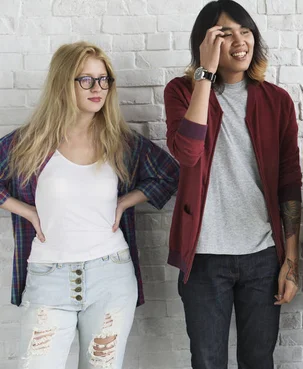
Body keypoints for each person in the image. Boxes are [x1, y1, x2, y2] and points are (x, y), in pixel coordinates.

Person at [0, 41, 179, 369]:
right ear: (62, 83)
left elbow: (169, 174)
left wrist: (126, 201)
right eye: (85, 79)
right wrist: (23, 209)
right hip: (47, 277)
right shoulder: (28, 143)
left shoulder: (120, 142)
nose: (97, 88)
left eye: (103, 79)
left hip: (110, 276)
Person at [163, 1, 302, 368]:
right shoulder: (181, 92)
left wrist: (291, 260)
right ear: (205, 42)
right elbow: (188, 153)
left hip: (262, 256)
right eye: (225, 34)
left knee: (258, 360)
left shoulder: (277, 100)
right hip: (205, 257)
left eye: (246, 31)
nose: (240, 41)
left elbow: (289, 184)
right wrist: (205, 75)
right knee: (207, 360)